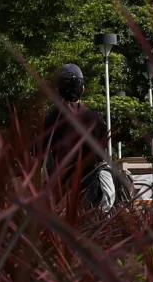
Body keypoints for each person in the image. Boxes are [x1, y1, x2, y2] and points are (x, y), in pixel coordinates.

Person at [38, 64, 109, 214]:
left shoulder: (50, 119)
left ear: (58, 90)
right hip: (89, 194)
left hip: (56, 194)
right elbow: (102, 156)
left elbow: (38, 152)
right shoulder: (95, 119)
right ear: (83, 89)